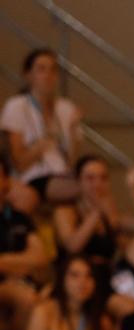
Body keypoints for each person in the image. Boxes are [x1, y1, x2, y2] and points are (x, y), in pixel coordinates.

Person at [54, 154, 134, 318]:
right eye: (90, 178)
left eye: (103, 178)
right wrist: (96, 212)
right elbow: (73, 246)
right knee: (132, 312)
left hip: (108, 278)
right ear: (78, 181)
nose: (97, 184)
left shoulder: (110, 215)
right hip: (79, 279)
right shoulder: (66, 211)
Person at [1, 50, 82, 210]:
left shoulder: (65, 108)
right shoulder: (17, 106)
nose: (48, 75)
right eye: (41, 69)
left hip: (62, 173)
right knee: (89, 189)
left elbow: (70, 160)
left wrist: (72, 132)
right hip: (34, 176)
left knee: (90, 188)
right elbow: (20, 163)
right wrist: (45, 139)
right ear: (28, 75)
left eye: (53, 69)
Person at [0, 156, 52, 330]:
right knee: (26, 298)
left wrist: (5, 262)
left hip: (24, 282)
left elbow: (40, 258)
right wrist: (21, 263)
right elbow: (31, 259)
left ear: (6, 181)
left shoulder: (19, 218)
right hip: (9, 287)